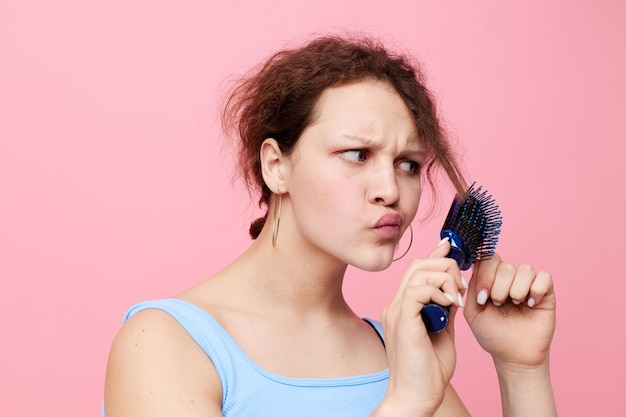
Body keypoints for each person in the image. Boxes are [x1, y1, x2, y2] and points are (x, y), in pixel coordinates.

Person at [104, 35, 557, 416]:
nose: (389, 189)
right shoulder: (164, 343)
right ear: (276, 166)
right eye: (357, 155)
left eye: (408, 164)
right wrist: (402, 404)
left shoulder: (398, 351)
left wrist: (521, 368)